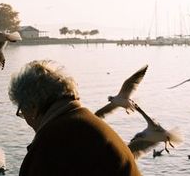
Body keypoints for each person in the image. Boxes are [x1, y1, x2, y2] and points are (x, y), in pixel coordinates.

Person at [8, 60, 141, 176]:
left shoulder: (53, 144)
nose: (25, 120)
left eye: (22, 112)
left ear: (33, 106)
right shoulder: (91, 123)